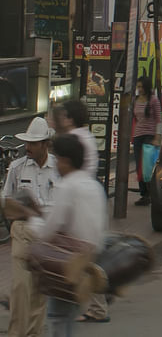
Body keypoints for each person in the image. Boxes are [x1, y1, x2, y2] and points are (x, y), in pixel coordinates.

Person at [19, 134, 106, 336]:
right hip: (88, 263)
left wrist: (30, 218)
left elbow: (51, 227)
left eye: (57, 159)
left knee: (58, 320)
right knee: (67, 320)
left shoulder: (67, 186)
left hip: (65, 263)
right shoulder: (94, 186)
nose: (56, 163)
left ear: (66, 161)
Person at [2, 116, 58, 337]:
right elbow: (6, 201)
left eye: (33, 143)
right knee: (21, 288)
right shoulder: (17, 168)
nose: (28, 147)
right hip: (23, 232)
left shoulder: (58, 168)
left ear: (45, 144)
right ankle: (16, 333)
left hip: (47, 235)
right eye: (27, 143)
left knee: (38, 291)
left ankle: (33, 333)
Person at [51, 100, 105, 326]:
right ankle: (94, 305)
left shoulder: (76, 141)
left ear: (70, 118)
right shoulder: (85, 137)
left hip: (78, 204)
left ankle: (96, 306)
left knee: (81, 258)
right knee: (85, 257)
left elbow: (48, 227)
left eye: (62, 115)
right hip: (85, 201)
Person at [131, 75, 160, 206]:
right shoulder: (135, 100)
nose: (140, 89)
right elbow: (135, 118)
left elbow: (158, 120)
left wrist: (157, 137)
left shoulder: (153, 100)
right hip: (138, 136)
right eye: (138, 87)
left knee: (148, 166)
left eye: (142, 87)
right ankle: (144, 194)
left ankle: (151, 192)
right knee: (139, 167)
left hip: (149, 136)